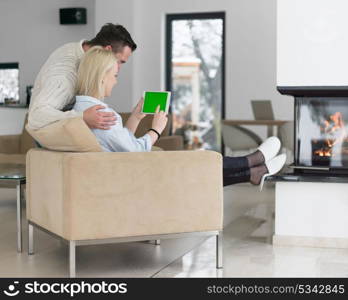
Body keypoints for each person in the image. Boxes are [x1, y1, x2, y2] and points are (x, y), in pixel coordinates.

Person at [73, 46, 286, 189]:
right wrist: (155, 129)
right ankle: (253, 162)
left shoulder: (83, 109)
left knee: (198, 166)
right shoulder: (101, 114)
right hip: (134, 175)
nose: (116, 82)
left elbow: (121, 146)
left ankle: (253, 170)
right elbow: (135, 151)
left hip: (124, 169)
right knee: (199, 162)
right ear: (101, 78)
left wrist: (136, 118)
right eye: (114, 76)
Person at [28, 23, 137, 131]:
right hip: (52, 136)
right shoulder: (66, 73)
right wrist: (82, 117)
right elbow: (36, 115)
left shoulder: (83, 56)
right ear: (107, 50)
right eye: (120, 62)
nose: (118, 69)